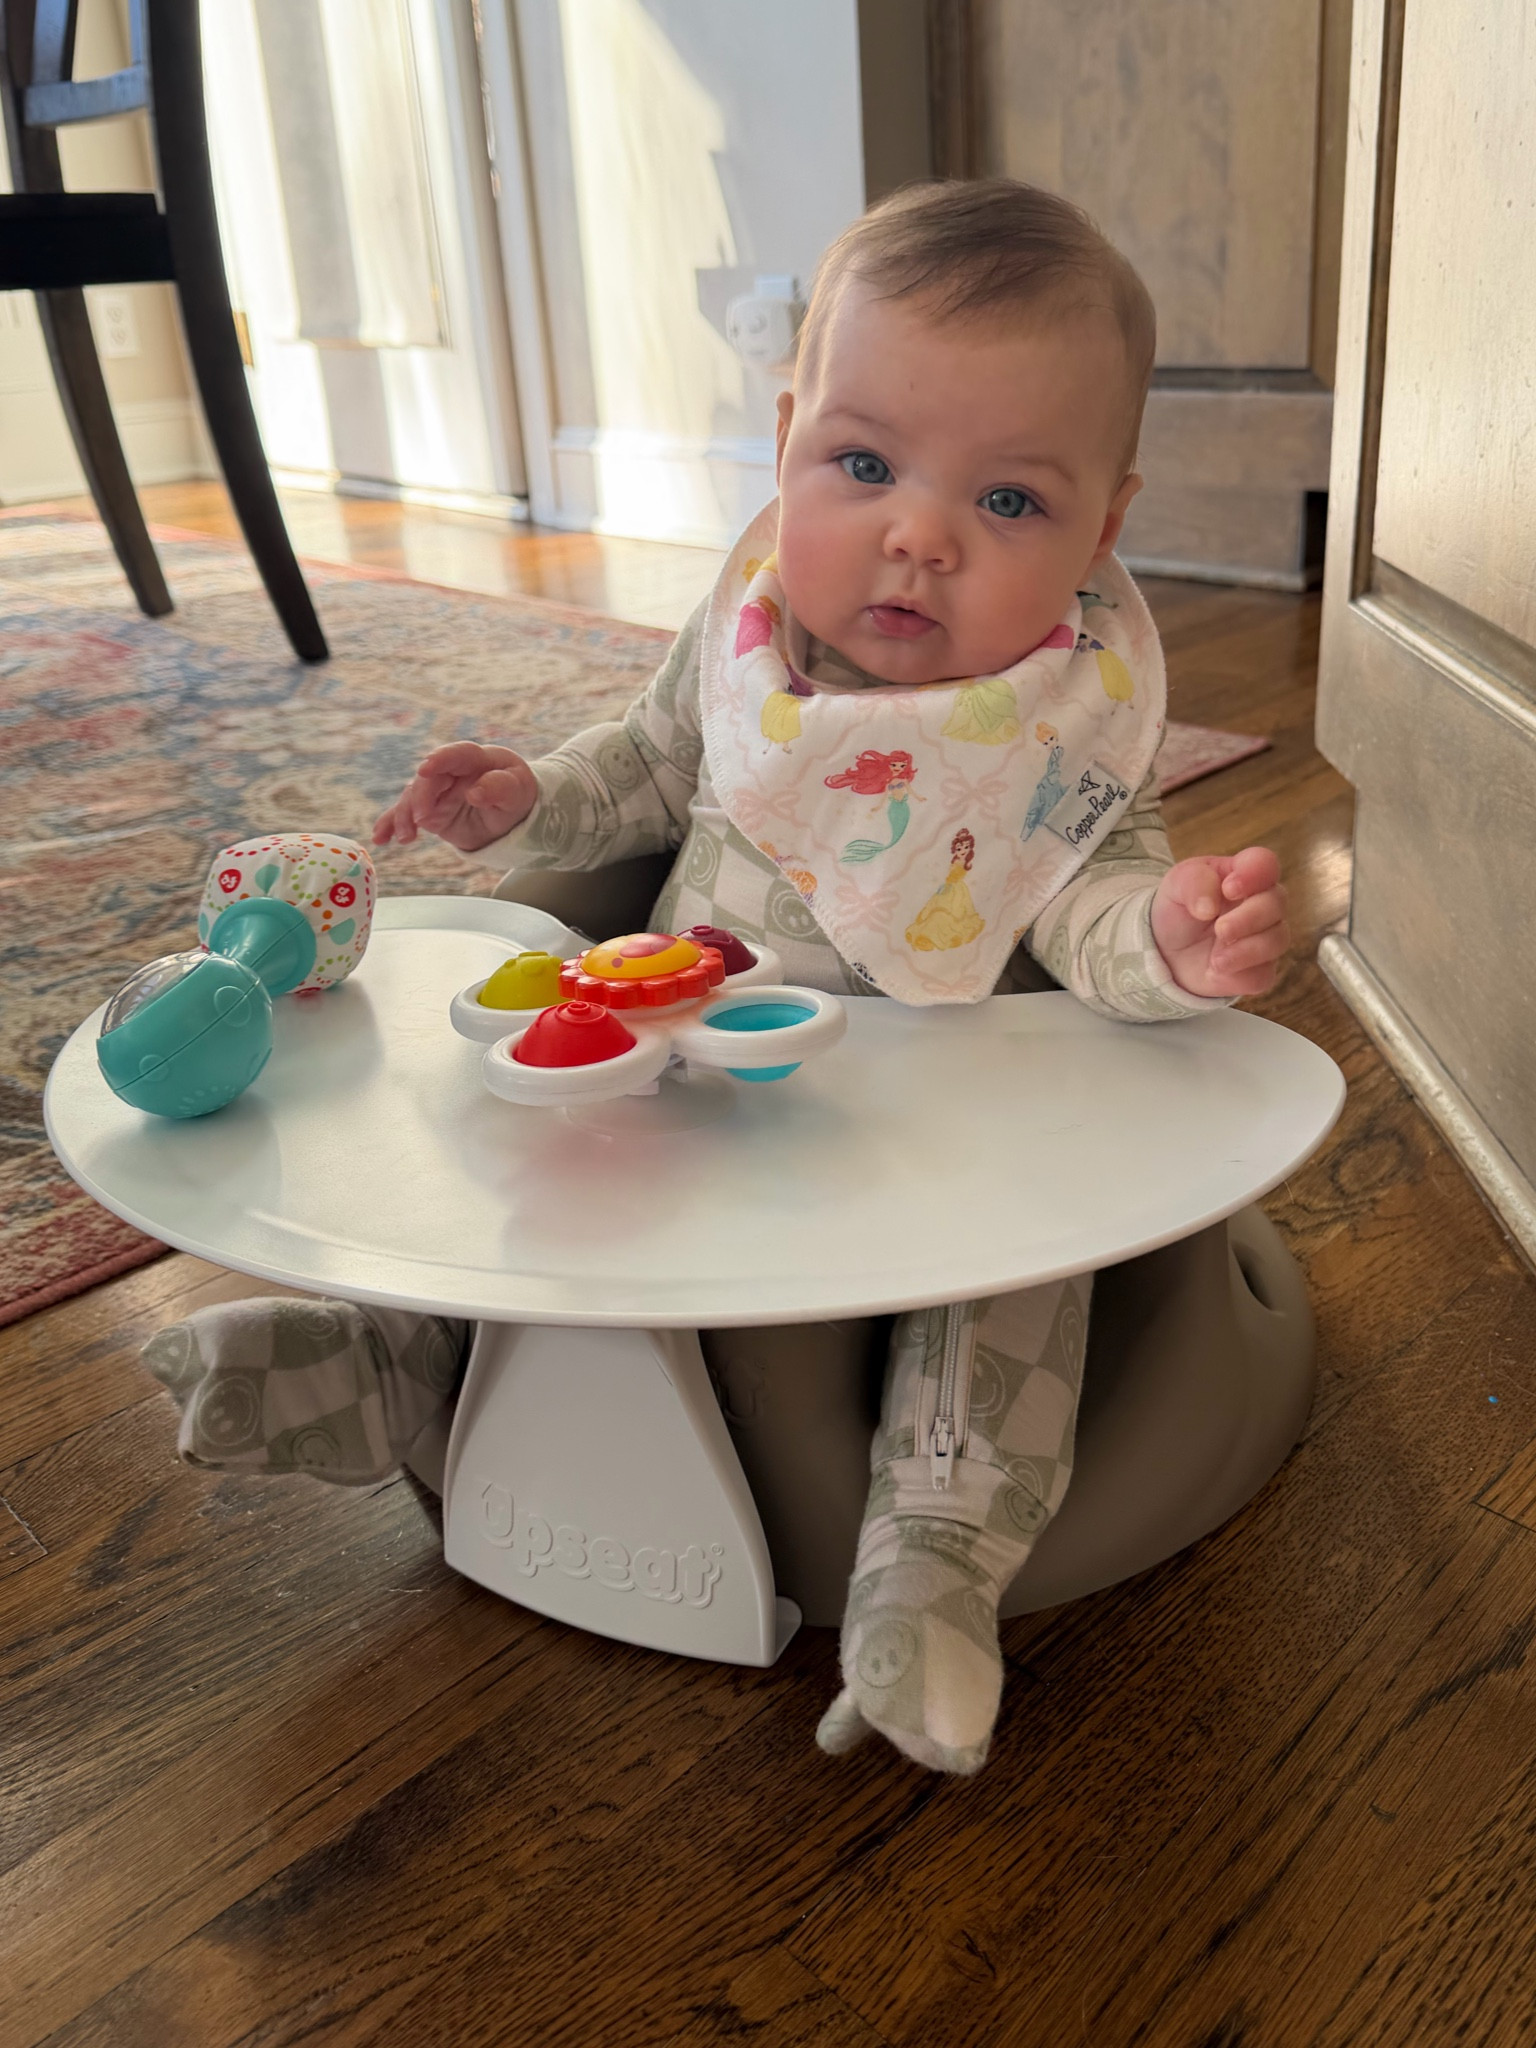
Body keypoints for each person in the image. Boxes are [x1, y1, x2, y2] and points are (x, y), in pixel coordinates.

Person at [149, 179, 1288, 1776]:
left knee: (1022, 1272)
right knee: (505, 1138)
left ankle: (933, 1559)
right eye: (865, 466)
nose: (920, 536)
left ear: (1103, 527)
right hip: (678, 1066)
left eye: (1009, 502)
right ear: (788, 438)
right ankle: (395, 1367)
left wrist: (1167, 937)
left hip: (939, 1131)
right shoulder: (746, 640)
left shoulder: (1073, 723)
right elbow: (645, 772)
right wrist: (528, 802)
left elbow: (1095, 905)